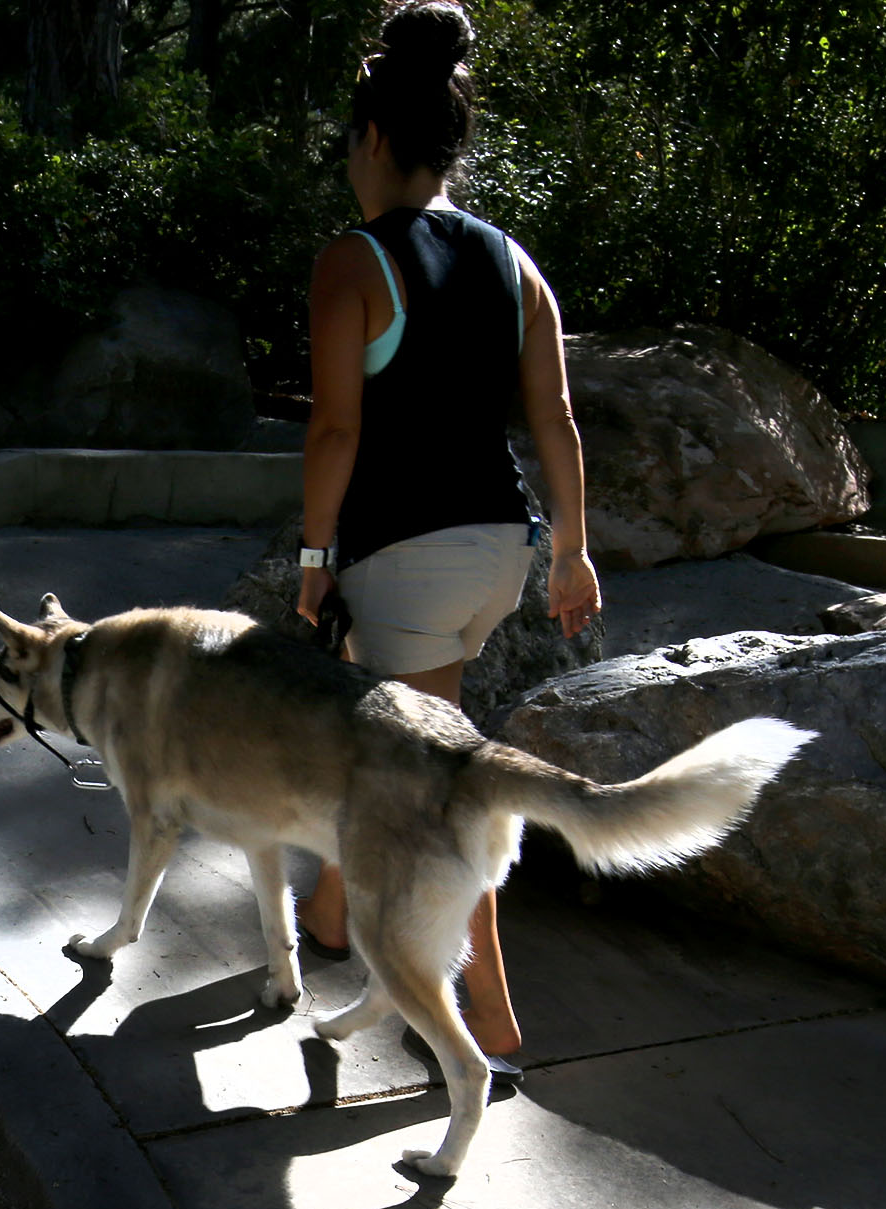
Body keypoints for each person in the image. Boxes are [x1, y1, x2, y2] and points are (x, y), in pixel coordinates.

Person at [293, 0, 598, 1079]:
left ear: (373, 139)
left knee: (432, 793)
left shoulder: (351, 261)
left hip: (406, 557)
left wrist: (314, 557)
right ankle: (329, 918)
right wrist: (572, 550)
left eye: (349, 147)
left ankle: (493, 1017)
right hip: (498, 551)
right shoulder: (514, 262)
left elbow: (336, 428)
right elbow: (555, 418)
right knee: (381, 747)